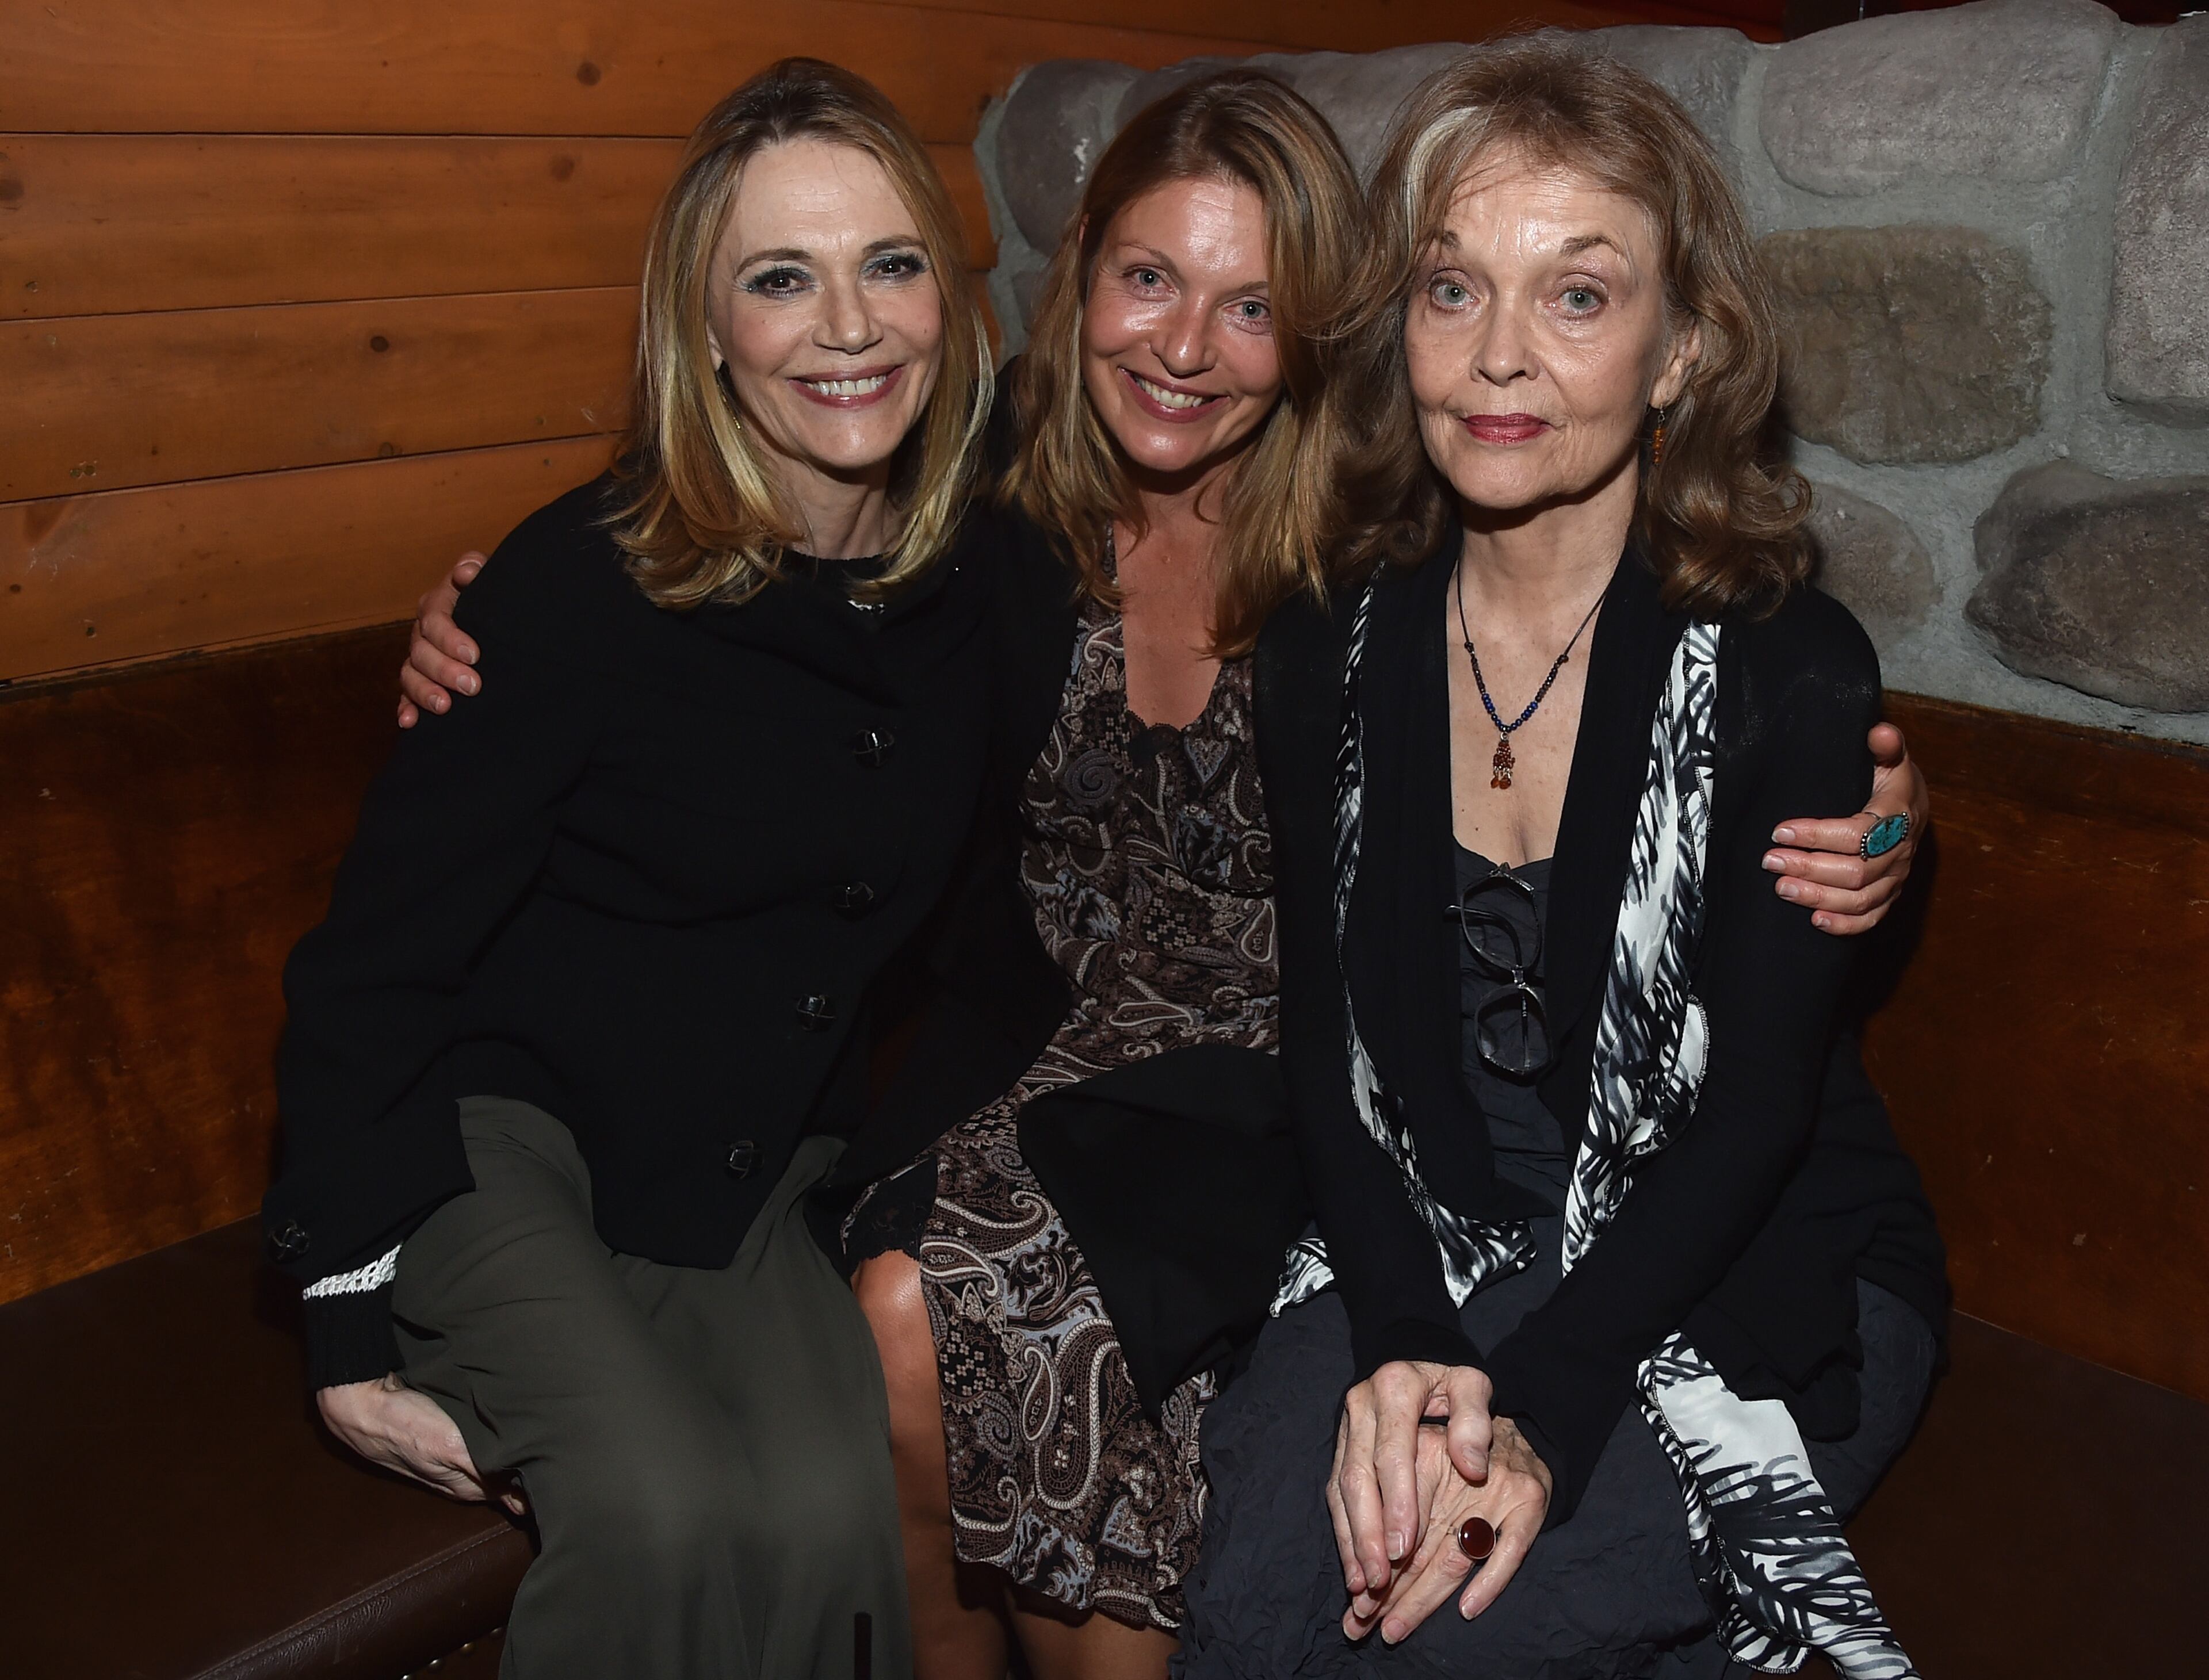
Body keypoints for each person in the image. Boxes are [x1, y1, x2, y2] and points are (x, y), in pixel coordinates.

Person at [397, 67, 1932, 1680]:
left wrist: (1889, 808)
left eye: (1253, 303)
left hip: (1310, 1092)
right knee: (902, 1308)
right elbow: (756, 541)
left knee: (1008, 1349)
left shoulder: (1356, 547)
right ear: (1085, 291)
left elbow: (1704, 756)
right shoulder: (993, 498)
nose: (1186, 345)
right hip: (1112, 1068)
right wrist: (510, 611)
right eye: (1147, 279)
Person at [1178, 41, 1947, 1679]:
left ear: (1680, 351)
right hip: (1435, 1228)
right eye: (1454, 289)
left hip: (1739, 1259)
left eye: (1579, 296)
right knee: (1256, 1611)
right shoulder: (1328, 640)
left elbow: (1755, 1119)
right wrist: (1398, 1341)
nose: (1499, 357)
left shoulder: (1785, 671)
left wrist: (1543, 1405)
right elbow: (1335, 1043)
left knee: (1451, 1639)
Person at [263, 58, 998, 1680]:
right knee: (658, 1510)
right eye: (781, 279)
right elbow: (372, 960)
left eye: (890, 265)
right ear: (707, 326)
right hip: (488, 1140)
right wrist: (342, 1318)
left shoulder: (983, 571)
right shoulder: (578, 586)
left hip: (738, 1171)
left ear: (947, 298)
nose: (849, 325)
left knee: (836, 1511)